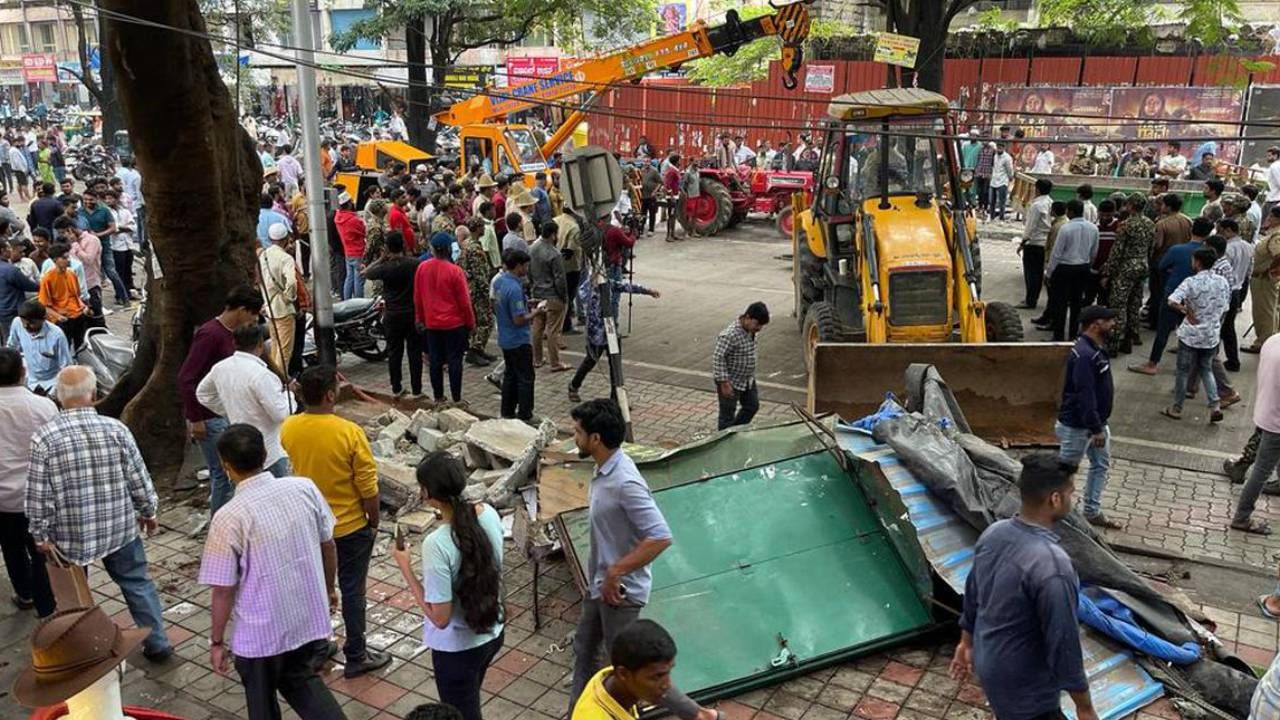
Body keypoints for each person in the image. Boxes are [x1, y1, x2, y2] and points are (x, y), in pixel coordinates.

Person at [566, 400, 716, 720]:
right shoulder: (604, 468)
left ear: (595, 438)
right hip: (599, 587)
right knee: (583, 652)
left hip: (620, 594)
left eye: (577, 431)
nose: (572, 436)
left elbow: (660, 536)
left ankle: (701, 716)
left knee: (629, 673)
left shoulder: (624, 482)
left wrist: (616, 572)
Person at [198, 424, 346, 720]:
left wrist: (216, 641)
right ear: (265, 454)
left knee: (262, 705)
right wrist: (329, 589)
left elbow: (223, 589)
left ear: (226, 466)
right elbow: (327, 545)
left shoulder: (229, 517)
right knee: (303, 681)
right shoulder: (303, 488)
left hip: (260, 634)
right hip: (305, 619)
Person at [27, 366, 174, 661]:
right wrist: (148, 510)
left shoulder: (44, 439)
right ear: (94, 395)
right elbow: (138, 477)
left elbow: (38, 494)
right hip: (119, 526)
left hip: (70, 534)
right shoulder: (116, 429)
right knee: (137, 583)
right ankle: (158, 643)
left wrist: (40, 535)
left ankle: (86, 650)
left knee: (74, 597)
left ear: (58, 397)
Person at [950, 453, 1099, 720]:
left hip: (992, 668)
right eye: (1070, 493)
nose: (1072, 501)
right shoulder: (1053, 566)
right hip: (1027, 692)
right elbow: (1063, 644)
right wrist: (1084, 706)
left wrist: (966, 643)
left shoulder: (993, 534)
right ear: (1055, 499)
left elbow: (973, 595)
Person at [280, 366, 391, 678]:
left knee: (317, 586)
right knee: (353, 589)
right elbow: (368, 487)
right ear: (329, 394)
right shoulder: (349, 432)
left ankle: (319, 646)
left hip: (310, 526)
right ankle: (356, 654)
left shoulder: (289, 428)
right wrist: (373, 521)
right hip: (350, 525)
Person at [392, 452, 504, 720]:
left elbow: (440, 617)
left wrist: (405, 567)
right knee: (470, 698)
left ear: (427, 492)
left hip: (458, 648)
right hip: (492, 632)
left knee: (461, 714)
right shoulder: (488, 514)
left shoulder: (438, 543)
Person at [177, 286, 263, 515]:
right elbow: (187, 378)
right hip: (209, 418)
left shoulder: (233, 333)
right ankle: (220, 523)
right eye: (253, 314)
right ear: (242, 310)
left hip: (224, 414)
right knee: (223, 476)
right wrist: (195, 419)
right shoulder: (210, 334)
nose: (254, 320)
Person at [196, 323, 295, 478]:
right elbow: (281, 414)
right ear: (261, 344)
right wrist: (290, 395)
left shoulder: (220, 368)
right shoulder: (262, 375)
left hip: (240, 446)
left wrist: (229, 409)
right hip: (269, 451)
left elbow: (203, 394)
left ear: (235, 343)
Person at [0, 347, 55, 616]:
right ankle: (47, 607)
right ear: (23, 372)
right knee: (41, 552)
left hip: (3, 501)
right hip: (39, 496)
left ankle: (25, 593)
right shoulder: (43, 405)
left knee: (11, 548)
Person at [1130, 213, 1207, 375]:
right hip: (1197, 297)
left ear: (1191, 229)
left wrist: (1171, 277)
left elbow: (1161, 266)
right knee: (1192, 329)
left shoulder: (1177, 250)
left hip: (1173, 294)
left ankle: (1152, 363)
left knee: (1163, 330)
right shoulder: (1208, 253)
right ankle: (1190, 368)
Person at [1162, 248, 1230, 422]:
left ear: (1197, 262)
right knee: (1206, 369)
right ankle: (1215, 405)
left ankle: (1177, 408)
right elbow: (1225, 309)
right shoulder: (1222, 282)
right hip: (1211, 335)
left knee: (1183, 371)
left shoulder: (1191, 282)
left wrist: (1185, 310)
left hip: (1190, 335)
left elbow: (1172, 300)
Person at [572, 619, 685, 720]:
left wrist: (695, 712)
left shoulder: (613, 677)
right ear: (623, 674)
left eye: (668, 672)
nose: (667, 684)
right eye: (657, 676)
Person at [415, 231, 476, 403]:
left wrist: (419, 318)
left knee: (435, 362)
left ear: (432, 249)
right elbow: (465, 302)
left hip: (432, 325)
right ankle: (457, 399)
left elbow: (417, 297)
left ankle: (439, 397)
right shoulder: (455, 271)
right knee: (455, 362)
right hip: (454, 325)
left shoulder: (422, 268)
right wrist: (471, 323)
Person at [1232, 334, 1280, 535]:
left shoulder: (1272, 341)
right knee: (1261, 471)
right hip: (1277, 421)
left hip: (1265, 411)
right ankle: (1242, 517)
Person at [364, 231, 423, 396]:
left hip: (392, 314)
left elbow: (366, 273)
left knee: (394, 352)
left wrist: (381, 259)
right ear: (403, 245)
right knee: (414, 353)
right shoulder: (414, 264)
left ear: (387, 248)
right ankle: (417, 389)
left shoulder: (385, 268)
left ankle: (396, 387)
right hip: (411, 313)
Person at [494, 248, 544, 421]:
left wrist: (526, 303)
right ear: (518, 266)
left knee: (510, 375)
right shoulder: (514, 288)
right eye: (525, 265)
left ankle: (507, 411)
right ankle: (525, 414)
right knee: (526, 378)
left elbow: (502, 306)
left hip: (505, 337)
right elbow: (519, 319)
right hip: (518, 340)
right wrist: (536, 313)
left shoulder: (499, 282)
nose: (527, 269)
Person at [1045, 200, 1099, 342]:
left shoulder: (1066, 228)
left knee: (1060, 303)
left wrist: (1049, 273)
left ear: (1070, 211)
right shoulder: (1093, 228)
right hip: (1083, 267)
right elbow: (1094, 252)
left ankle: (1058, 336)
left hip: (1065, 268)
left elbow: (1056, 253)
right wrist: (1088, 265)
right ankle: (1074, 335)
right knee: (1076, 303)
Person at [713, 302, 769, 430]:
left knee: (752, 406)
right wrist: (724, 383)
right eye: (757, 324)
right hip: (730, 381)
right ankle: (724, 440)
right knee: (727, 415)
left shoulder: (751, 331)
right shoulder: (729, 335)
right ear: (747, 318)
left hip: (747, 380)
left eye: (761, 326)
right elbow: (718, 358)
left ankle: (735, 431)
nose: (759, 328)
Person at [258, 222, 299, 375]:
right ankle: (280, 381)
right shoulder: (286, 258)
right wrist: (288, 297)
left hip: (269, 307)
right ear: (286, 238)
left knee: (275, 346)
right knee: (284, 351)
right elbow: (292, 282)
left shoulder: (263, 256)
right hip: (283, 309)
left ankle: (273, 377)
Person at [529, 221, 570, 371]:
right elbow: (560, 279)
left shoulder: (531, 248)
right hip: (552, 295)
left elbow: (528, 272)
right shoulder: (554, 253)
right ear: (553, 234)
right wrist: (564, 297)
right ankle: (555, 362)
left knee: (537, 327)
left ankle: (537, 359)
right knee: (553, 330)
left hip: (537, 293)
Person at [1246, 206, 1280, 355]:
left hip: (1264, 278)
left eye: (1271, 216)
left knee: (1264, 311)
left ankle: (1263, 342)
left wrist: (1269, 271)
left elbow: (1278, 255)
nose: (1268, 218)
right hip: (1262, 277)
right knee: (1268, 310)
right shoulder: (1272, 233)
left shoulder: (1277, 236)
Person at [1220, 218, 1252, 372]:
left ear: (1228, 230)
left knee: (1222, 326)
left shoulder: (1228, 248)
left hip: (1227, 289)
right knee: (1228, 327)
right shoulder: (1247, 246)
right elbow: (1248, 270)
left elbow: (1224, 271)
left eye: (1221, 230)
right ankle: (1232, 360)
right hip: (1237, 289)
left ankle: (1231, 360)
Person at [1018, 178, 1054, 310]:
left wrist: (1023, 241)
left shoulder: (1036, 205)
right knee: (1038, 273)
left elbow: (1030, 226)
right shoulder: (1050, 202)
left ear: (1037, 189)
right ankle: (1033, 298)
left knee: (1030, 273)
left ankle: (1030, 299)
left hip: (1034, 242)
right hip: (1044, 242)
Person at [0, 238, 37, 343]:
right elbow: (29, 286)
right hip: (13, 311)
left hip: (2, 312)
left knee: (7, 339)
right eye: (8, 248)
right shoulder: (10, 270)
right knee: (18, 340)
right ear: (2, 250)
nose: (10, 250)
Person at [335, 192, 367, 300]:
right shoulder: (353, 220)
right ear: (349, 204)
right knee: (359, 278)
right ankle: (359, 302)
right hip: (358, 251)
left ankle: (347, 300)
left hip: (347, 251)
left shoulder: (338, 217)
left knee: (349, 278)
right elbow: (364, 231)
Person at [989, 142, 1015, 220]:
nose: (999, 148)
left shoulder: (1007, 158)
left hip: (1002, 181)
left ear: (1004, 148)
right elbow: (993, 167)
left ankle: (1001, 217)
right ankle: (992, 217)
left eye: (1001, 147)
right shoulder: (995, 156)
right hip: (994, 180)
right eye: (998, 147)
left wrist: (1011, 178)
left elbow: (1009, 170)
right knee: (992, 201)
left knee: (1002, 202)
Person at [388, 188, 417, 252]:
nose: (406, 199)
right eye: (403, 197)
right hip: (406, 249)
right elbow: (399, 235)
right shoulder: (396, 214)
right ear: (396, 199)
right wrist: (404, 250)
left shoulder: (401, 210)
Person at [1265, 146, 1280, 215]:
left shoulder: (1274, 166)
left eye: (1269, 156)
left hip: (1273, 199)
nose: (1267, 157)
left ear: (1275, 156)